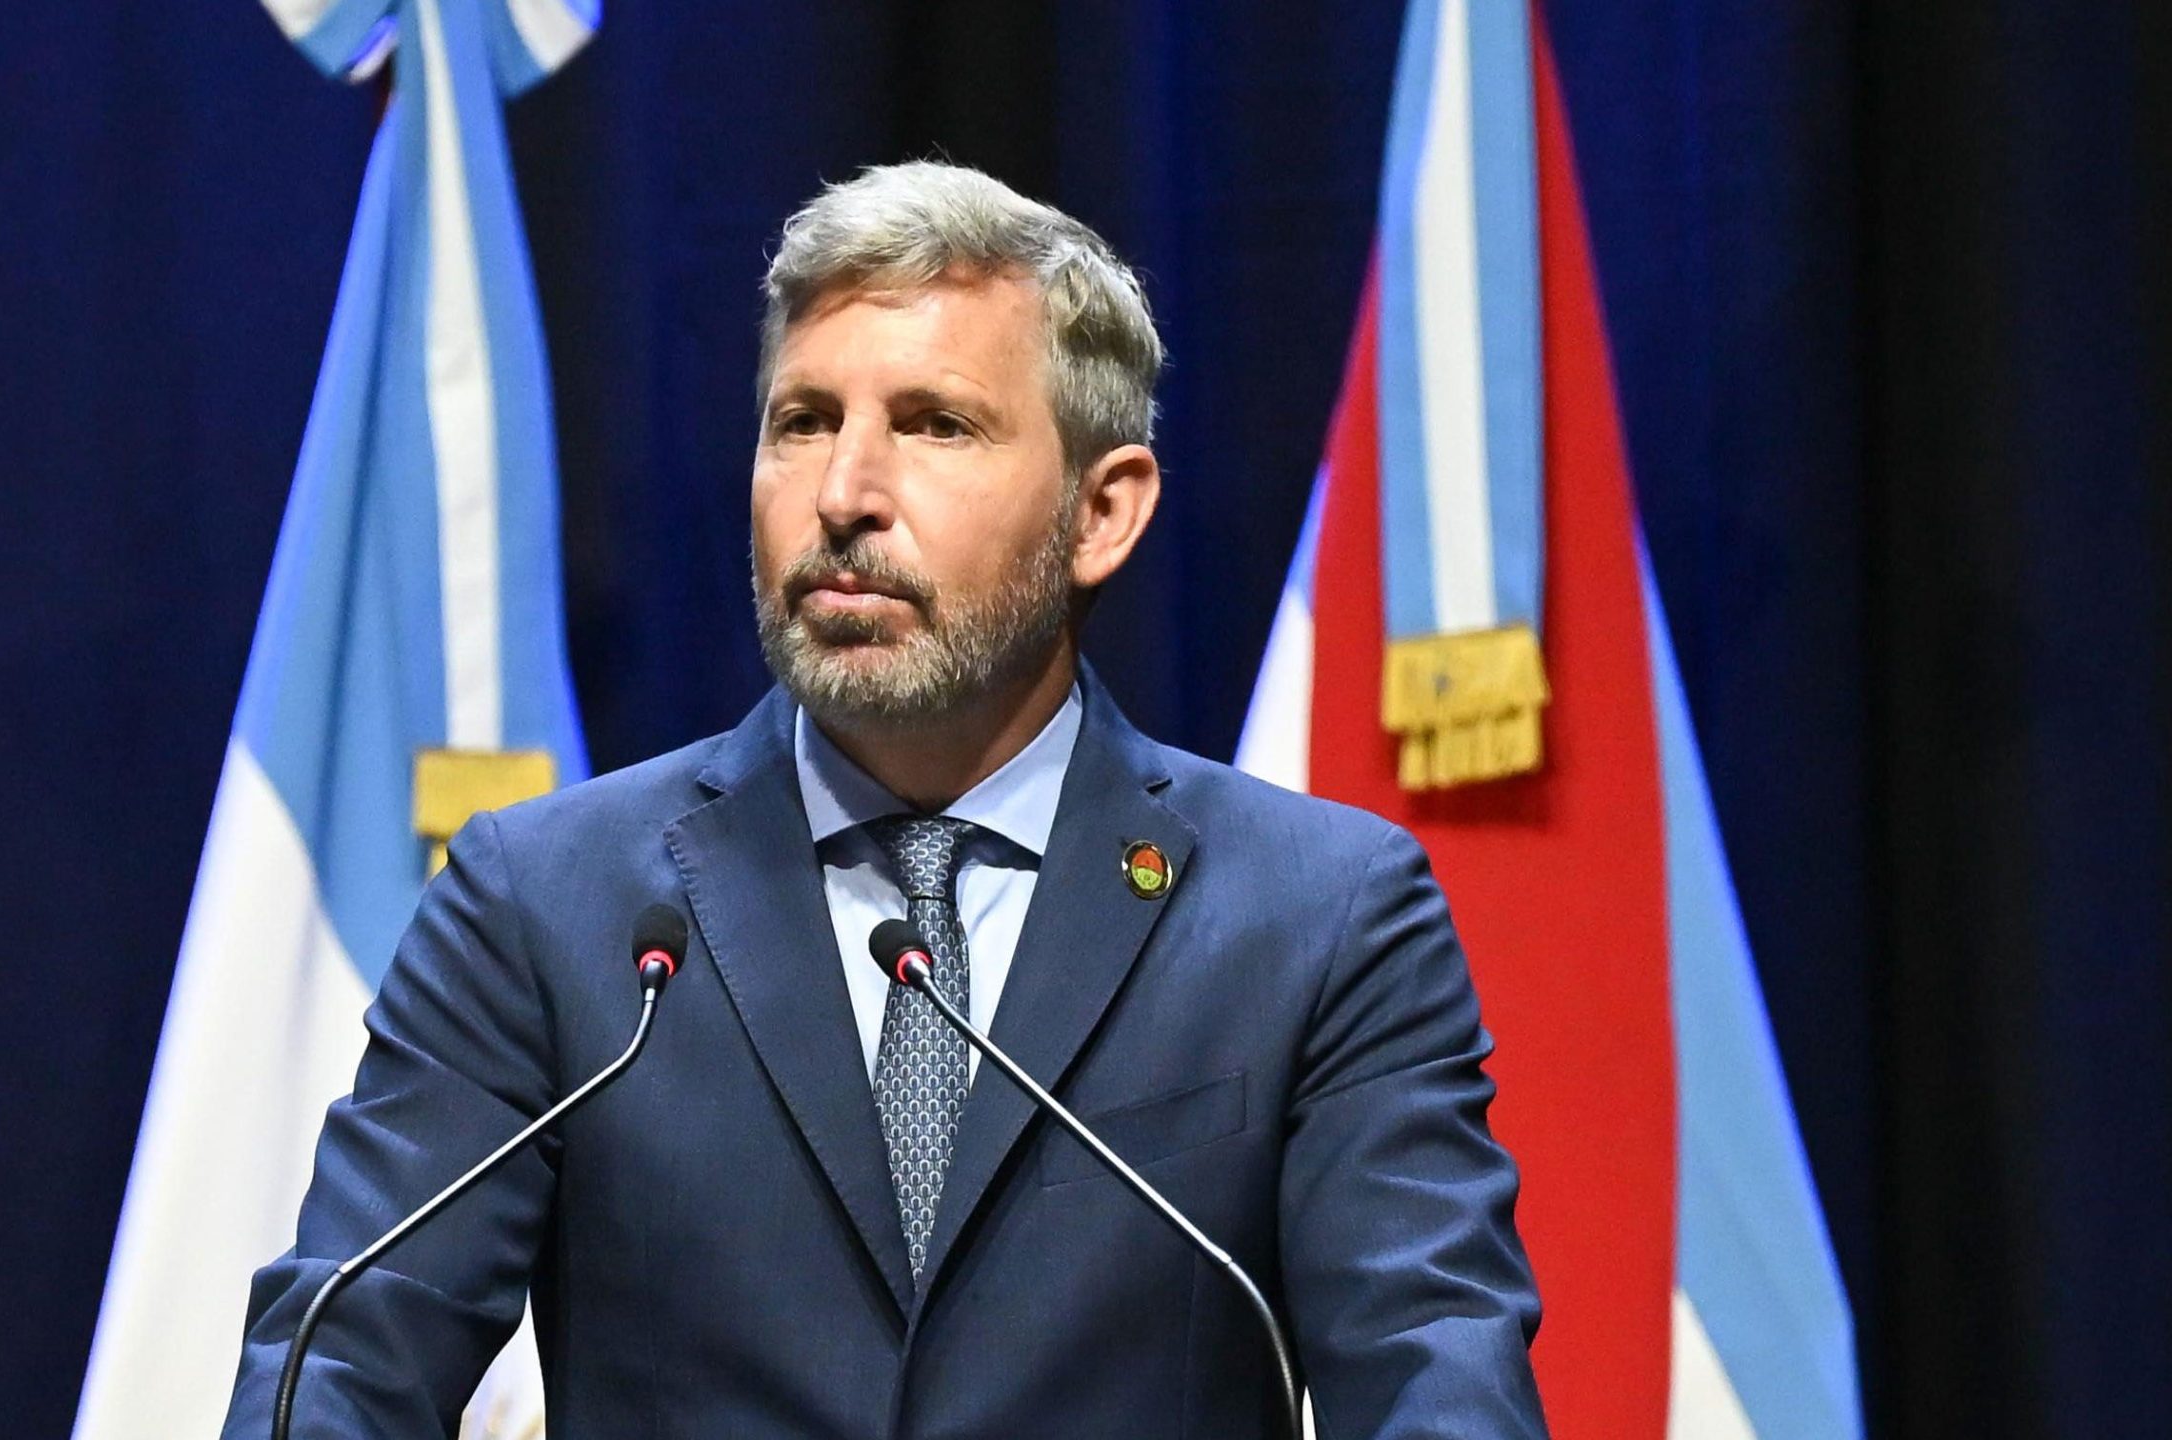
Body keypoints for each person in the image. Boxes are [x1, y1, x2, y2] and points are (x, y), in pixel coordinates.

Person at [220, 160, 1545, 1439]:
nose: (844, 495)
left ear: (1102, 513)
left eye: (934, 425)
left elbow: (1436, 1381)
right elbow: (343, 1359)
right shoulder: (547, 904)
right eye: (802, 422)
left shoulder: (1317, 919)